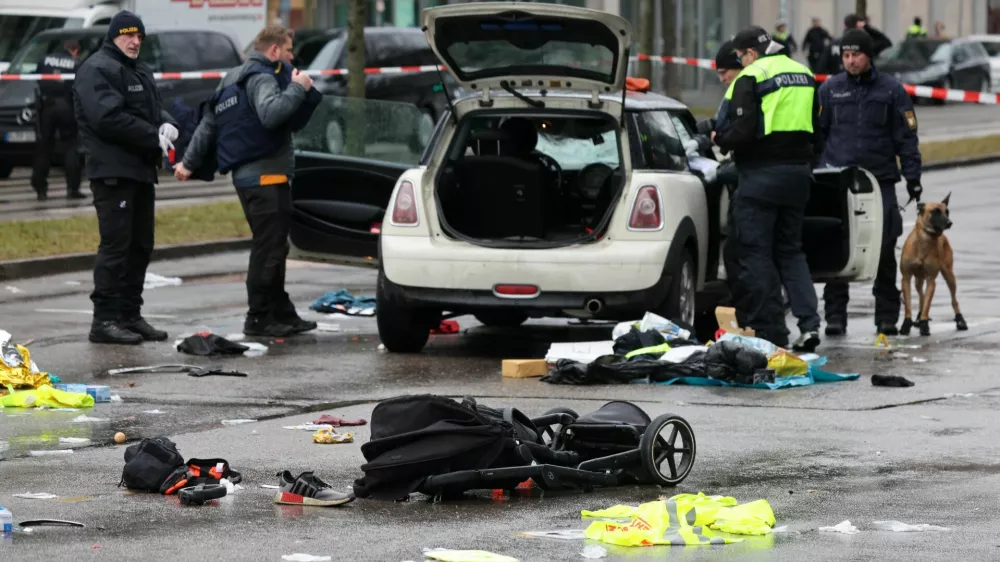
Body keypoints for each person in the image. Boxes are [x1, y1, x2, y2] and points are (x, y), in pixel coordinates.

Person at [174, 26, 322, 337]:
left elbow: (208, 126)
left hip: (248, 179)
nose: (292, 56)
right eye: (289, 50)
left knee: (274, 247)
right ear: (273, 51)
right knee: (268, 250)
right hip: (267, 176)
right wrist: (298, 88)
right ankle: (258, 318)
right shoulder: (263, 77)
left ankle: (281, 312)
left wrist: (188, 163)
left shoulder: (232, 78)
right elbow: (271, 114)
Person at [712, 26, 823, 352]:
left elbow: (741, 132)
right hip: (798, 176)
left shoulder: (751, 76)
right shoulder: (804, 73)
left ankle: (771, 330)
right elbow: (819, 129)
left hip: (760, 177)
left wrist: (720, 139)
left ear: (749, 53)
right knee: (791, 251)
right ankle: (809, 325)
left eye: (740, 56)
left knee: (756, 254)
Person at [73, 11, 179, 345]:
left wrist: (165, 122)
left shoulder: (139, 69)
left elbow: (149, 108)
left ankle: (129, 314)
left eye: (139, 37)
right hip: (113, 173)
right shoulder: (97, 69)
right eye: (128, 36)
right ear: (114, 36)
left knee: (140, 245)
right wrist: (152, 135)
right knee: (116, 247)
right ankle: (104, 320)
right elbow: (108, 119)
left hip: (140, 171)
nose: (135, 42)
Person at [817, 29, 922, 336]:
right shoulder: (829, 90)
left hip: (880, 181)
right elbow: (818, 134)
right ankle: (835, 314)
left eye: (856, 55)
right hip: (839, 182)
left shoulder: (891, 91)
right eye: (846, 56)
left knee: (884, 246)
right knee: (838, 246)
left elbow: (907, 138)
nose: (851, 61)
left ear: (869, 55)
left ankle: (886, 315)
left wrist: (913, 178)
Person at [31, 39, 84, 201]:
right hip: (67, 107)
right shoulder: (76, 63)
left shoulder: (45, 59)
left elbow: (37, 79)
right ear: (75, 51)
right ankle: (72, 188)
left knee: (44, 149)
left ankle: (40, 189)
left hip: (47, 108)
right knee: (71, 147)